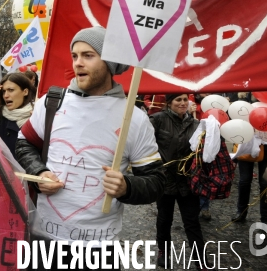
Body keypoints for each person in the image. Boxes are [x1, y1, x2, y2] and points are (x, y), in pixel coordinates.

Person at [15, 26, 165, 269]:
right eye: (75, 56)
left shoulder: (134, 118)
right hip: (43, 240)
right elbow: (24, 145)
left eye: (88, 55)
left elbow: (156, 181)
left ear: (109, 62)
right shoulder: (51, 103)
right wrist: (39, 174)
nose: (78, 63)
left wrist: (127, 187)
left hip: (99, 249)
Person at [149, 93, 206, 268]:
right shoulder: (157, 120)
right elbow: (145, 145)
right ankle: (163, 252)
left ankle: (200, 258)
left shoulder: (196, 123)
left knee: (192, 220)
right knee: (165, 219)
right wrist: (156, 169)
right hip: (165, 179)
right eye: (178, 100)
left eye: (185, 100)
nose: (182, 103)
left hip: (187, 181)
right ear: (169, 103)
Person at [0, 73, 35, 159]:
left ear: (25, 92)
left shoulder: (37, 115)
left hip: (30, 171)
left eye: (11, 90)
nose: (6, 95)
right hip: (6, 170)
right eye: (4, 91)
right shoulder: (0, 117)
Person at [231, 129, 267, 225]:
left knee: (265, 183)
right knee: (244, 181)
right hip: (247, 142)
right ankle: (241, 212)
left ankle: (266, 218)